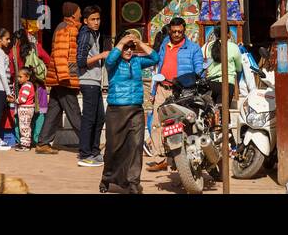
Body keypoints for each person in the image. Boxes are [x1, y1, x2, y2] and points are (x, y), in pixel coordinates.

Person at [101, 31, 156, 194]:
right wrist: (122, 42)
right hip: (116, 110)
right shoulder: (113, 62)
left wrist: (138, 42)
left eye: (132, 47)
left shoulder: (138, 61)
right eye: (126, 47)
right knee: (113, 147)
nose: (129, 50)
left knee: (136, 146)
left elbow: (155, 58)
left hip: (136, 110)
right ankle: (107, 178)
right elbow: (109, 59)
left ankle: (133, 182)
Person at [147, 17, 203, 172]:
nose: (176, 34)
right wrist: (153, 90)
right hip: (161, 88)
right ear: (170, 31)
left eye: (179, 31)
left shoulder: (193, 48)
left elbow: (199, 70)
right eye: (173, 31)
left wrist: (196, 83)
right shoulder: (165, 44)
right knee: (157, 124)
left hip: (181, 92)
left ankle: (181, 160)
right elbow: (159, 67)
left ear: (184, 30)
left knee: (181, 125)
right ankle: (161, 158)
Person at [36, 1, 83, 155]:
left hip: (61, 77)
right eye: (78, 11)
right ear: (72, 14)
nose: (80, 14)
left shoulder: (68, 27)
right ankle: (87, 142)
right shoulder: (66, 29)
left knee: (54, 111)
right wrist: (64, 76)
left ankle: (43, 142)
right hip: (64, 77)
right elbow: (60, 54)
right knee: (73, 110)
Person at [75, 6, 109, 167]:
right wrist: (101, 55)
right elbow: (81, 61)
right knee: (89, 118)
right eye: (93, 19)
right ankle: (85, 154)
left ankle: (94, 151)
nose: (96, 22)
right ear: (85, 21)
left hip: (95, 82)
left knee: (100, 117)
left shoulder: (95, 34)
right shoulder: (85, 35)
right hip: (88, 82)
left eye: (98, 19)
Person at [203, 30, 256, 106]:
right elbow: (239, 68)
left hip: (210, 84)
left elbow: (202, 64)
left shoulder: (206, 46)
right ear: (229, 34)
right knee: (223, 113)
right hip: (227, 85)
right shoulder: (234, 47)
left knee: (210, 113)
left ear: (214, 34)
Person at [13, 67, 37, 151]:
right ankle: (24, 144)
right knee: (25, 126)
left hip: (25, 109)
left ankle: (25, 146)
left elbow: (22, 99)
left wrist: (13, 100)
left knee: (24, 127)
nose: (18, 79)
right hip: (26, 109)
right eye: (18, 77)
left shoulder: (26, 86)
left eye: (20, 77)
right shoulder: (27, 85)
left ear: (27, 77)